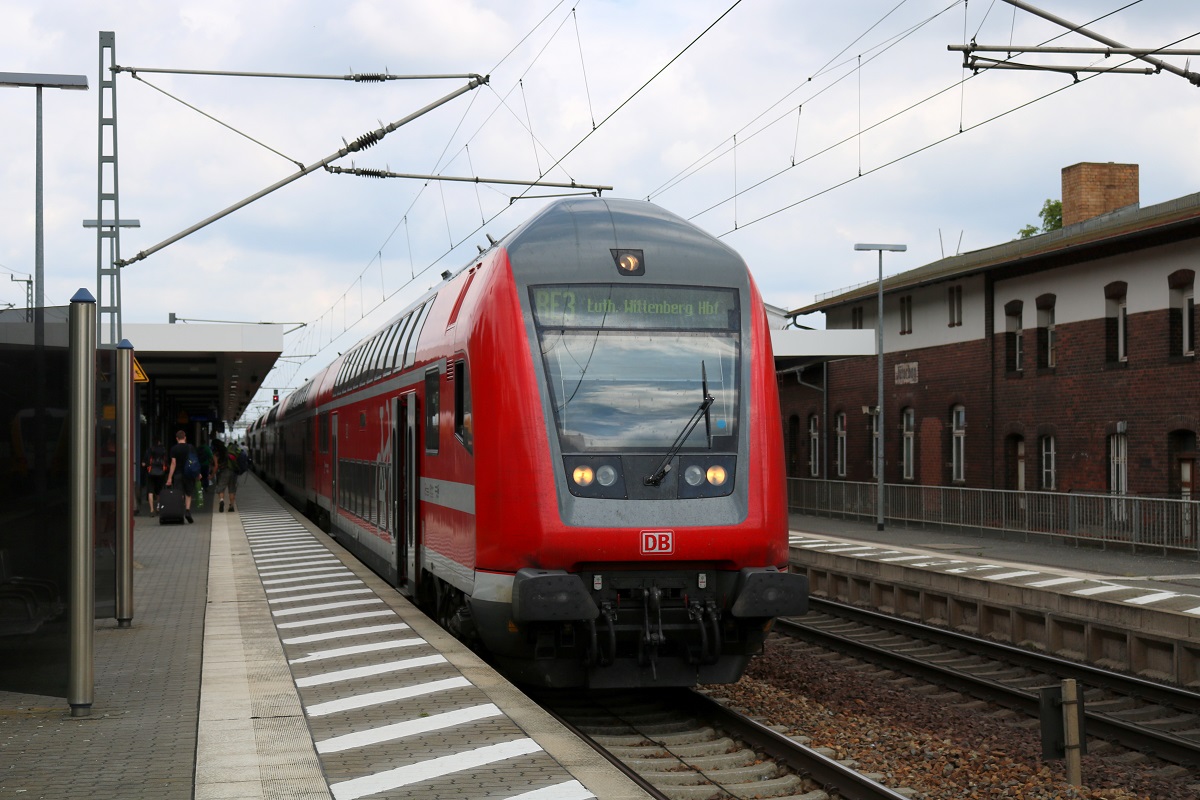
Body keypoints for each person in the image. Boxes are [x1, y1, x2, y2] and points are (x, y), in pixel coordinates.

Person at [165, 429, 196, 524]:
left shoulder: (174, 449)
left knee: (179, 494)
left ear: (177, 438)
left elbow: (173, 463)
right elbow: (194, 461)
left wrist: (169, 477)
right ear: (185, 437)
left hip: (178, 474)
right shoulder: (190, 447)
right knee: (188, 493)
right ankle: (187, 511)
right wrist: (198, 473)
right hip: (189, 474)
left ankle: (180, 513)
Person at [141, 438, 168, 517]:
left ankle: (151, 510)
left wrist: (146, 466)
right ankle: (158, 508)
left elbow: (143, 464)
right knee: (159, 492)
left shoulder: (149, 450)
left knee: (150, 491)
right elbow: (166, 462)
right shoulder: (163, 450)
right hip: (161, 474)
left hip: (151, 474)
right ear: (159, 442)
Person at [212, 439, 231, 513]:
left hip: (220, 471)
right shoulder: (226, 450)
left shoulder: (215, 453)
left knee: (220, 487)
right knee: (223, 487)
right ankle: (223, 501)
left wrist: (212, 475)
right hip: (228, 470)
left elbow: (216, 466)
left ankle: (221, 500)